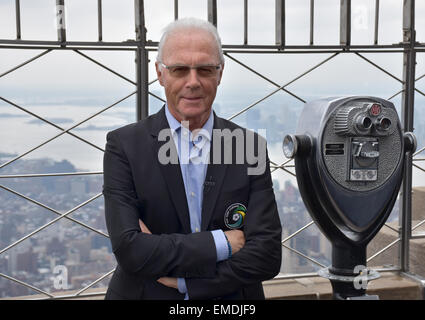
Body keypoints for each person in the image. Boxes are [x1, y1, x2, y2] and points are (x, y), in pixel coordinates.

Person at [103, 17, 282, 300]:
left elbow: (268, 255)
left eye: (205, 69)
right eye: (179, 70)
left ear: (220, 73)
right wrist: (222, 242)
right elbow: (130, 250)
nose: (193, 82)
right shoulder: (124, 146)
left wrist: (190, 284)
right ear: (160, 74)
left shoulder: (249, 146)